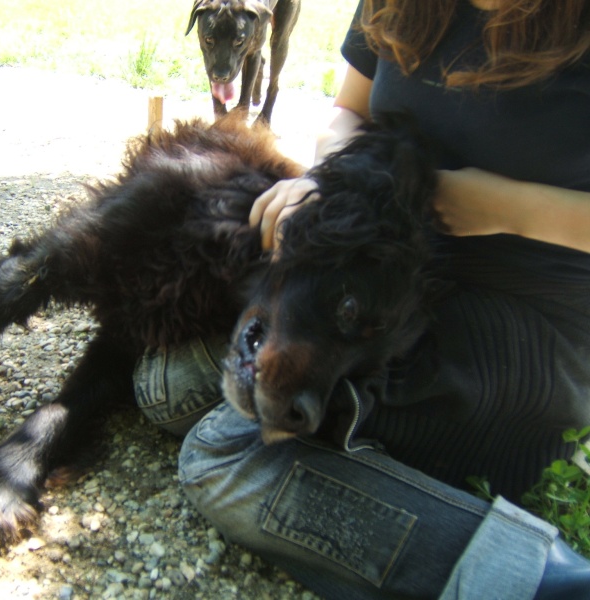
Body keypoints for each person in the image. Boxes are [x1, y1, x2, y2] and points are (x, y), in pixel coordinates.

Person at [134, 0, 590, 597]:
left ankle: (548, 583)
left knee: (225, 456)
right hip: (385, 289)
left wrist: (509, 208)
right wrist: (325, 180)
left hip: (525, 325)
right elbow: (349, 110)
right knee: (165, 387)